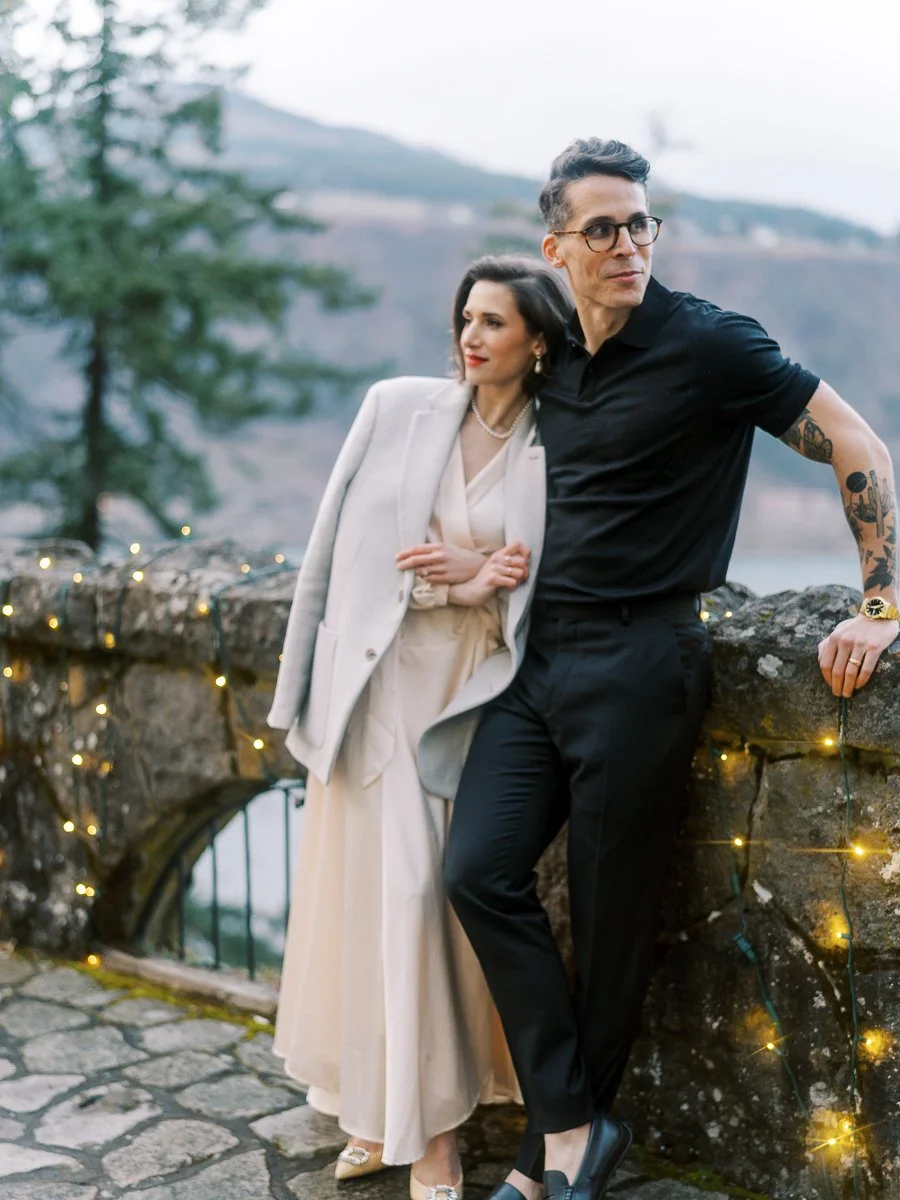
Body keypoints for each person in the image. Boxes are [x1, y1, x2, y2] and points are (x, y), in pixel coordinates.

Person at [444, 138, 899, 1200]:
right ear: (555, 246)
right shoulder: (550, 348)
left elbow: (856, 442)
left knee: (611, 924)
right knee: (476, 871)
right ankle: (572, 1123)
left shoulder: (709, 344)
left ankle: (554, 1159)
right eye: (602, 228)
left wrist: (881, 604)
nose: (628, 245)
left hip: (643, 660)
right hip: (536, 656)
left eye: (642, 223)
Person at [267, 257, 573, 1200]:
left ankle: (420, 1121)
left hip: (473, 699)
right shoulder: (396, 407)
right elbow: (340, 556)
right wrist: (462, 578)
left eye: (494, 322)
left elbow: (544, 588)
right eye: (466, 318)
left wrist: (480, 582)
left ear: (539, 341)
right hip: (373, 692)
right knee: (376, 901)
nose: (471, 337)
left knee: (430, 904)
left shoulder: (557, 443)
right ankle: (391, 1118)